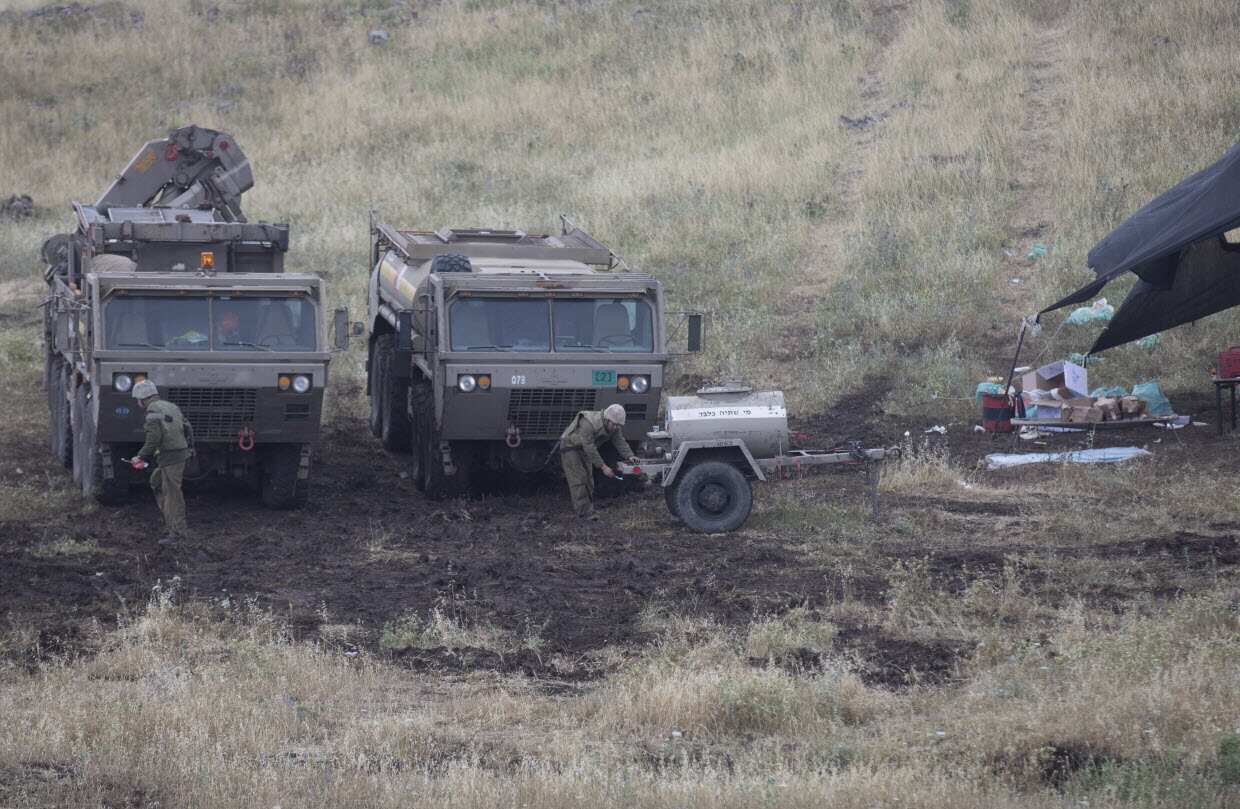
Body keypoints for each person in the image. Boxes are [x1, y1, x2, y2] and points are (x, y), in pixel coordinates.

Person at [130, 380, 192, 543]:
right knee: (156, 482)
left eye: (137, 400)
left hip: (172, 457)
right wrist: (189, 448)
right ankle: (170, 521)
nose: (137, 403)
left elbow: (154, 438)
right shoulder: (171, 406)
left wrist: (140, 456)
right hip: (177, 454)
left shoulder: (152, 411)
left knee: (172, 495)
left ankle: (178, 533)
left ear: (143, 398)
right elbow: (187, 427)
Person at [559, 403, 639, 521]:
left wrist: (630, 456)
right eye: (615, 424)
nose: (616, 427)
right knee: (579, 479)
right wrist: (603, 467)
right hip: (570, 448)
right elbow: (589, 447)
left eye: (619, 425)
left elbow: (620, 441)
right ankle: (584, 513)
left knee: (589, 480)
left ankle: (588, 508)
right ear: (607, 420)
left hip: (584, 449)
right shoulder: (588, 423)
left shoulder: (614, 427)